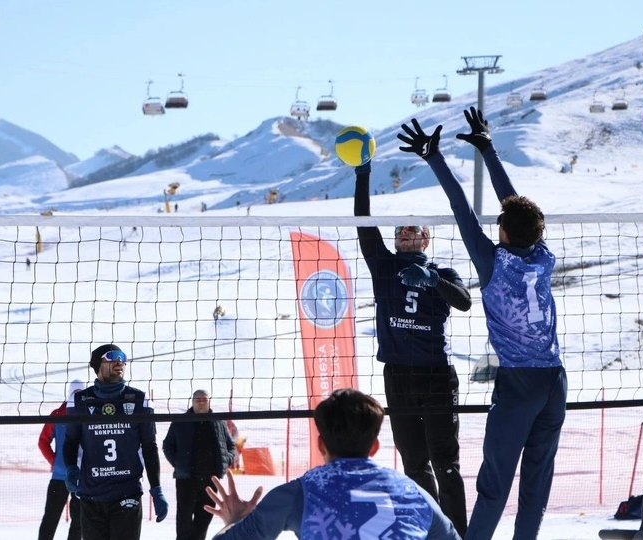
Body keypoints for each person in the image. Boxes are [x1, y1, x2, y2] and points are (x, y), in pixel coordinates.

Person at [398, 106, 567, 540]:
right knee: (535, 489)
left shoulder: (494, 263)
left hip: (520, 386)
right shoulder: (542, 255)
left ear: (505, 232)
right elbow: (516, 209)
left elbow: (461, 207)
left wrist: (434, 158)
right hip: (555, 380)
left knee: (494, 488)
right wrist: (488, 150)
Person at [353, 160, 471, 535]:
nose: (404, 234)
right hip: (398, 375)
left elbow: (464, 301)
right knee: (414, 463)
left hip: (436, 374)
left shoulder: (444, 274)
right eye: (400, 230)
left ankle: (459, 533)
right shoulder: (384, 267)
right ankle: (430, 529)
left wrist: (432, 279)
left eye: (413, 230)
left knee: (445, 462)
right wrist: (363, 175)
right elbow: (364, 225)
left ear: (425, 240)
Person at [203, 388, 461, 540]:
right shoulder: (413, 493)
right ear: (374, 448)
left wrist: (234, 520)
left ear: (320, 446)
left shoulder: (299, 493)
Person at [63, 344, 169, 540]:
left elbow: (149, 447)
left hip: (127, 493)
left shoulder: (139, 400)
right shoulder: (80, 401)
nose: (119, 361)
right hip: (91, 495)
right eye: (112, 356)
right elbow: (70, 441)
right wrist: (70, 468)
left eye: (123, 357)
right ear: (98, 364)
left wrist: (156, 488)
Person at [163, 390, 237, 540]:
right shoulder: (181, 421)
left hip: (211, 480)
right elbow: (168, 445)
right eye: (198, 399)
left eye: (204, 399)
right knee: (184, 520)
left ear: (209, 401)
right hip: (186, 479)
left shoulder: (218, 421)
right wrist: (178, 464)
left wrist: (226, 460)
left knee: (204, 519)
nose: (201, 402)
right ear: (192, 402)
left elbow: (231, 446)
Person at [38, 380, 85, 540]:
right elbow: (43, 441)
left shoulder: (87, 414)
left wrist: (55, 461)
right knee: (53, 519)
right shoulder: (58, 415)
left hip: (80, 477)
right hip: (65, 476)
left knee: (77, 521)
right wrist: (55, 461)